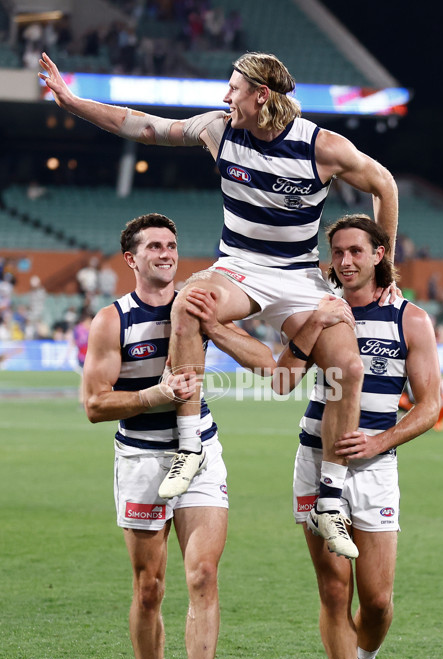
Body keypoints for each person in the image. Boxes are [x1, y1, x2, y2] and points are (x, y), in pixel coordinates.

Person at [39, 50, 399, 560]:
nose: (224, 97)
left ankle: (331, 500)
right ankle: (189, 448)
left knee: (348, 364)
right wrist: (73, 102)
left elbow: (383, 183)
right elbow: (140, 125)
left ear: (261, 96)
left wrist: (384, 271)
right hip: (240, 267)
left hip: (298, 275)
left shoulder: (323, 147)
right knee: (190, 301)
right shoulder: (217, 130)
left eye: (233, 89)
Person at [82, 212, 274, 659]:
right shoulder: (112, 321)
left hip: (201, 451)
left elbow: (268, 365)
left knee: (202, 576)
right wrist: (152, 396)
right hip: (143, 459)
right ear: (131, 259)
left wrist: (217, 328)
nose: (166, 253)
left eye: (171, 245)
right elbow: (96, 404)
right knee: (150, 588)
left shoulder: (200, 304)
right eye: (154, 247)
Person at [274, 214, 440, 659]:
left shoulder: (409, 319)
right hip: (316, 461)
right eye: (337, 252)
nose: (345, 261)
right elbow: (281, 379)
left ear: (379, 254)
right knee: (333, 590)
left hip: (375, 468)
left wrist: (377, 441)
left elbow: (429, 406)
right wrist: (306, 328)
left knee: (378, 602)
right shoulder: (321, 312)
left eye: (355, 251)